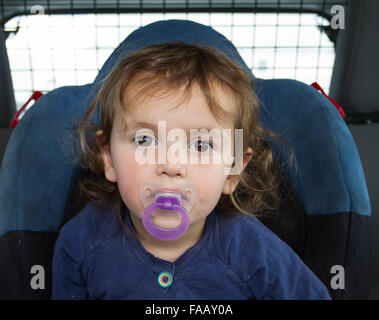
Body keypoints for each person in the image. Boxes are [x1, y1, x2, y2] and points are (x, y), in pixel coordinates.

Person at [51, 41, 331, 300]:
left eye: (200, 144)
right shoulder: (80, 242)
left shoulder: (253, 251)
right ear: (110, 158)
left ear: (233, 170)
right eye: (144, 140)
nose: (171, 165)